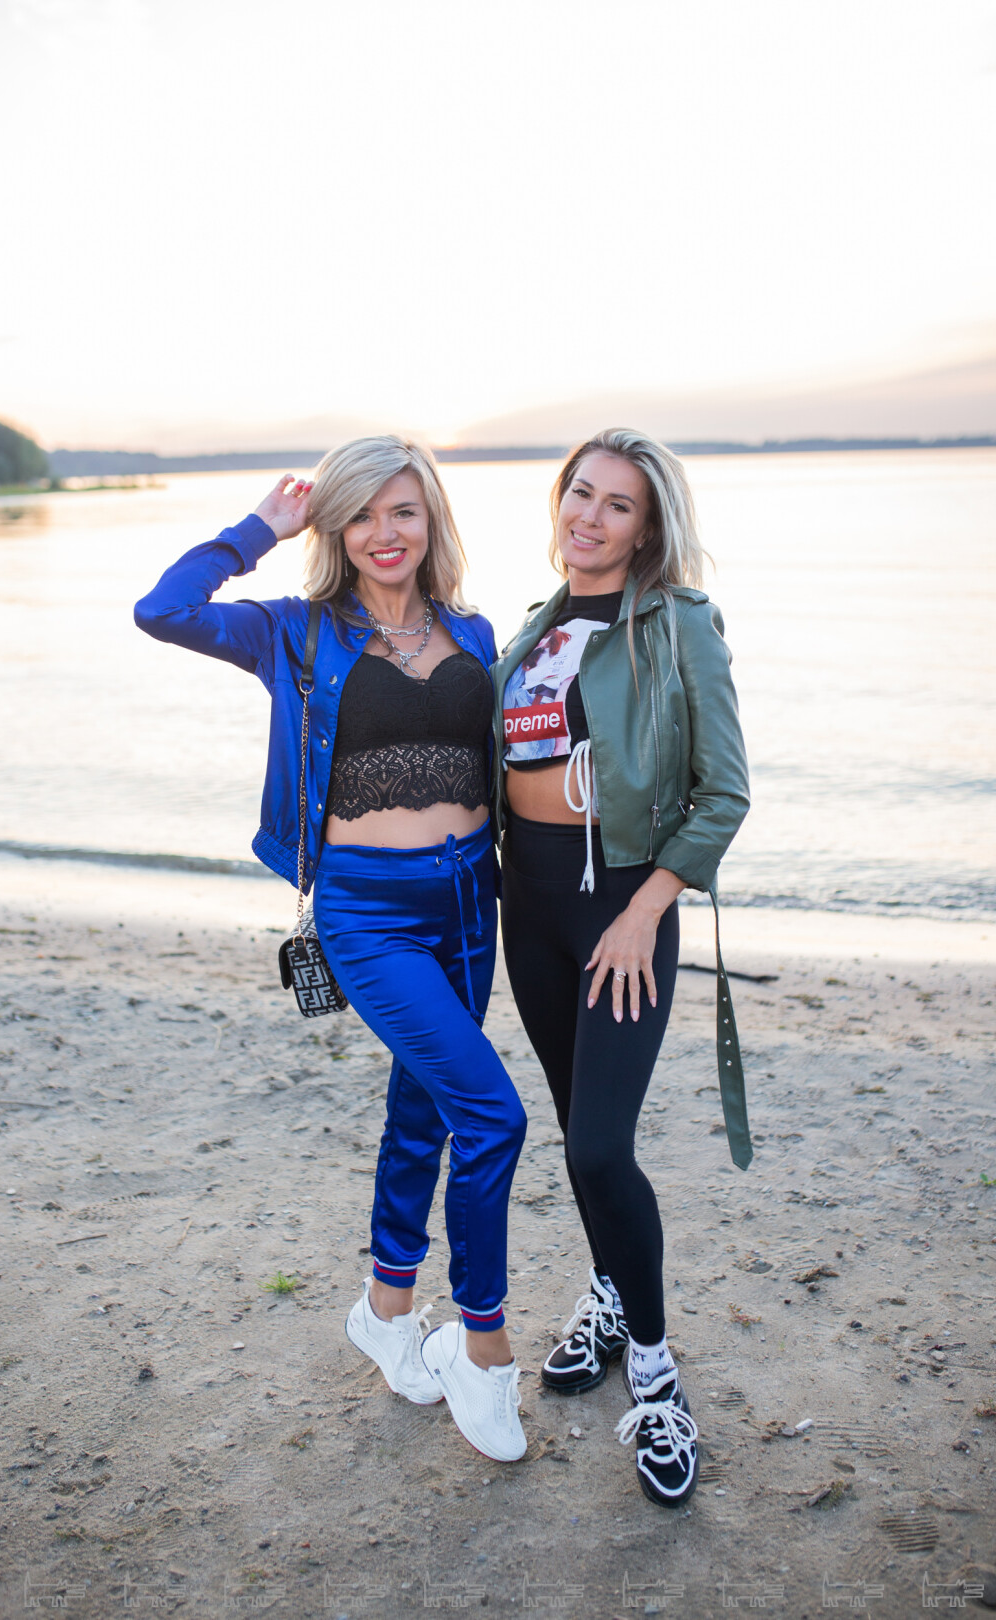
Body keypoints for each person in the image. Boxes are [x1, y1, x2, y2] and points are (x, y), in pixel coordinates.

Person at [135, 436, 527, 1463]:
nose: (383, 533)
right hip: (368, 912)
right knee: (494, 1116)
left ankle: (387, 1310)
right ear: (333, 527)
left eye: (402, 511)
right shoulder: (295, 631)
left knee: (426, 1110)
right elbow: (162, 609)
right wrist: (257, 529)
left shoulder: (474, 630)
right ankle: (482, 1349)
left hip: (471, 901)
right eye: (360, 514)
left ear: (431, 518)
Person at [491, 428, 751, 1505]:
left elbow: (724, 792)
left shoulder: (678, 623)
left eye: (617, 505)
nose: (588, 517)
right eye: (579, 494)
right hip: (529, 901)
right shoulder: (532, 629)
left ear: (648, 530)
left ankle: (652, 1369)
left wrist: (647, 910)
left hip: (622, 908)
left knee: (602, 1147)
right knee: (573, 1130)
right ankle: (607, 1292)